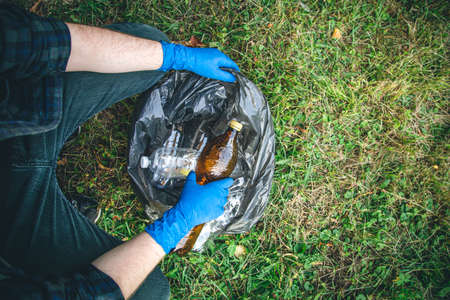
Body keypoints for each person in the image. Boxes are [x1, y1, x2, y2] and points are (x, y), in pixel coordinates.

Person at [0, 3, 239, 299]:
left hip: (20, 122)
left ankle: (51, 143)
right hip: (11, 218)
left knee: (146, 44)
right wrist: (176, 225)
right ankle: (50, 211)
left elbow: (49, 44)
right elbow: (88, 295)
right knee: (149, 292)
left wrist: (176, 56)